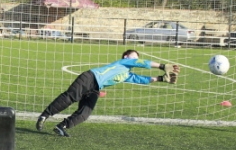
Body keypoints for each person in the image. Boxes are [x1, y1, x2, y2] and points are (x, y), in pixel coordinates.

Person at [36, 49, 180, 137]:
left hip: (95, 88)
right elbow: (142, 63)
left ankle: (61, 126)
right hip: (89, 77)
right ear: (126, 57)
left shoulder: (126, 74)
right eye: (133, 56)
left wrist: (161, 78)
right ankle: (45, 115)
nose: (135, 59)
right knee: (71, 97)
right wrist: (162, 66)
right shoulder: (122, 63)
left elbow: (140, 79)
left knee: (85, 113)